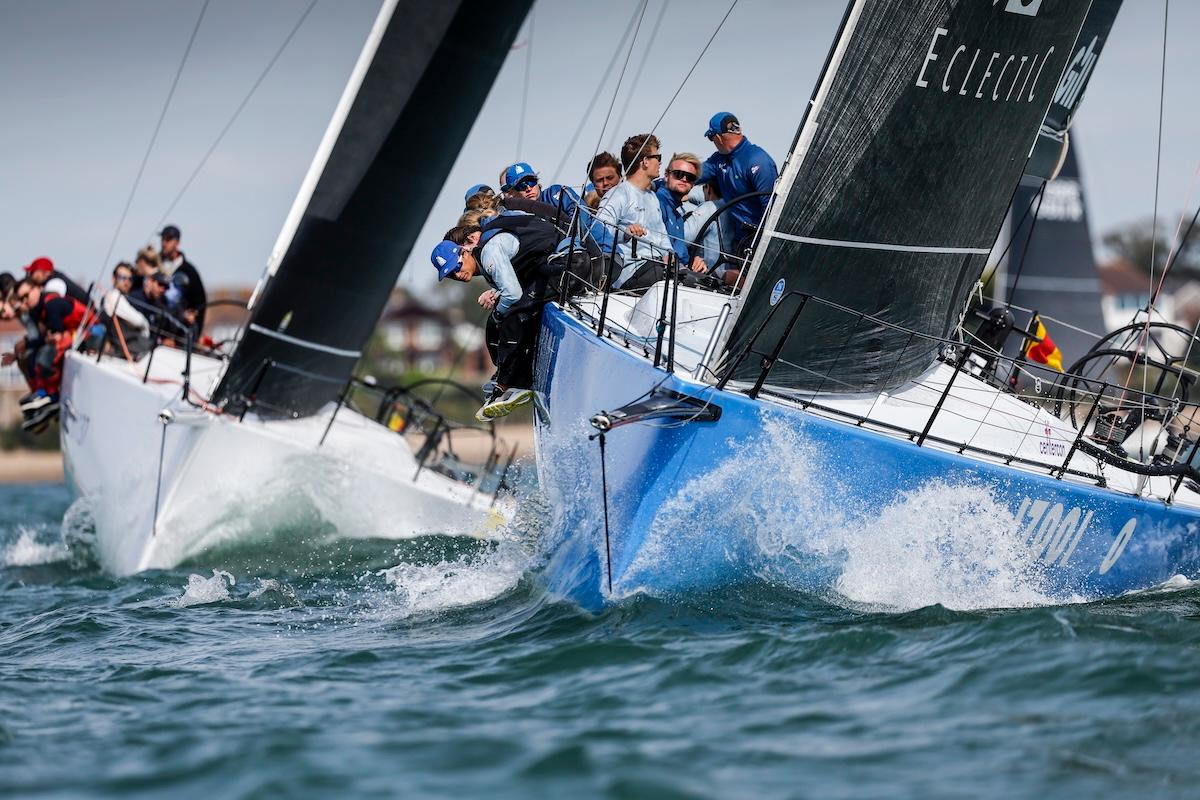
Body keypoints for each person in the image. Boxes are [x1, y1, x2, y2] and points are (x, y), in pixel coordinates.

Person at [431, 210, 562, 420]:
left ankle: (514, 383)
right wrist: (496, 297)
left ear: (464, 252)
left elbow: (513, 293)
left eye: (456, 267)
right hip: (545, 270)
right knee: (494, 324)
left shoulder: (488, 253)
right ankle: (504, 377)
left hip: (561, 267)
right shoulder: (482, 262)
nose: (457, 274)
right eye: (451, 275)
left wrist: (499, 311)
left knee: (508, 318)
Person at [592, 133, 674, 291]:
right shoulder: (617, 195)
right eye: (658, 157)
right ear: (645, 161)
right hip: (629, 274)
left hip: (657, 269)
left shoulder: (652, 197)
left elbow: (663, 239)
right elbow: (598, 231)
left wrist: (671, 258)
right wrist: (625, 232)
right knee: (661, 277)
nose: (660, 162)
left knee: (693, 281)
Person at [698, 112, 778, 260]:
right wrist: (659, 183)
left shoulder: (758, 160)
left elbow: (773, 209)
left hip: (759, 241)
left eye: (711, 138)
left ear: (718, 138)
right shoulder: (718, 160)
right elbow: (692, 175)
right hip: (740, 241)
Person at [654, 153, 708, 274]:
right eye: (678, 174)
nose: (684, 179)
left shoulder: (678, 216)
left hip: (674, 275)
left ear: (693, 184)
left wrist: (693, 261)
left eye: (690, 177)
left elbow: (681, 256)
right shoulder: (656, 202)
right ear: (667, 175)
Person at [158, 224, 207, 332]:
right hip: (157, 325)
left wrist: (196, 331)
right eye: (162, 239)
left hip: (179, 331)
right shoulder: (155, 265)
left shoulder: (189, 271)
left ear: (177, 243)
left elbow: (199, 302)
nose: (164, 243)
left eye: (168, 239)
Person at [101, 261, 151, 353]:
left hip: (129, 347)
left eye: (130, 279)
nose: (127, 282)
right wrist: (145, 326)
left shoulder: (124, 298)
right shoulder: (113, 296)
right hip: (122, 349)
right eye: (123, 278)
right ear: (113, 279)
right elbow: (139, 321)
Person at [22, 256, 89, 305]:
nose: (30, 276)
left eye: (32, 272)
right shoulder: (54, 278)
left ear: (42, 273)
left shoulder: (54, 283)